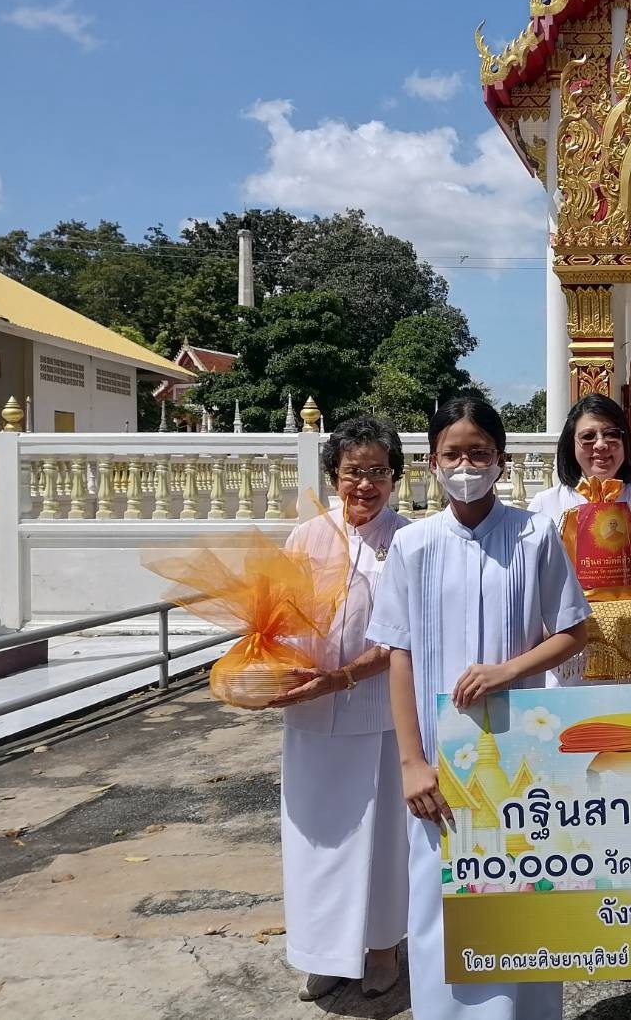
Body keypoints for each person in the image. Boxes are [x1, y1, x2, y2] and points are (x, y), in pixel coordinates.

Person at [366, 398, 591, 1020]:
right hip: (443, 760)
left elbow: (574, 630)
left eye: (479, 453)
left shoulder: (535, 534)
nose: (466, 465)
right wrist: (411, 761)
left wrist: (509, 671)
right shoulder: (413, 545)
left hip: (521, 749)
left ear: (502, 459)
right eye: (453, 454)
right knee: (443, 902)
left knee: (525, 892)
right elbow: (399, 656)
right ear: (432, 463)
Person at [269, 416, 411, 1001]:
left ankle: (382, 949)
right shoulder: (304, 538)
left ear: (395, 478)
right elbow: (277, 616)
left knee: (381, 838)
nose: (365, 485)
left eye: (377, 472)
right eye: (354, 472)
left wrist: (343, 678)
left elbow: (404, 636)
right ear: (334, 476)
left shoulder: (408, 540)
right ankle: (326, 951)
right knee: (317, 837)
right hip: (309, 715)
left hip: (378, 713)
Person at [529, 396, 631, 682]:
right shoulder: (545, 505)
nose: (600, 445)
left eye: (611, 434)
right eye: (588, 437)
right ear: (571, 445)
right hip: (565, 666)